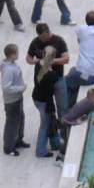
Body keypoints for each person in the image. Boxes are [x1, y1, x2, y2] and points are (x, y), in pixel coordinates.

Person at [29, 26, 69, 156]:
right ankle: (41, 150)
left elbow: (66, 59)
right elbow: (49, 93)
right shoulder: (51, 75)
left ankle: (56, 142)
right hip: (45, 101)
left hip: (38, 97)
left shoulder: (39, 66)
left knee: (50, 119)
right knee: (45, 123)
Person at [63, 11, 94, 102]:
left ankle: (69, 109)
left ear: (86, 22)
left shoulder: (82, 29)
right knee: (74, 74)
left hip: (86, 75)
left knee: (67, 80)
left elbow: (79, 40)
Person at [0, 43, 28, 155]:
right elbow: (6, 87)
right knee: (12, 124)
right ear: (12, 54)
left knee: (20, 119)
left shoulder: (12, 65)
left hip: (17, 98)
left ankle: (18, 140)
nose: (18, 54)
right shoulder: (8, 70)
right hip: (12, 101)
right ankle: (9, 148)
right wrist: (21, 88)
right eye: (16, 52)